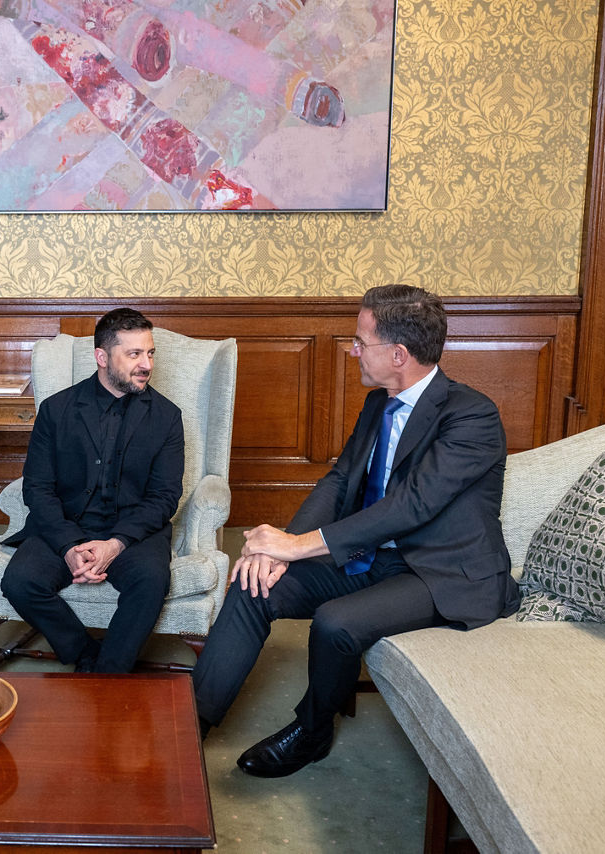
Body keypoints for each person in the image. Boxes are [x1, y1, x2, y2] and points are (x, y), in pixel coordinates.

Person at [192, 285, 520, 777]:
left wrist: (300, 546)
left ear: (398, 353)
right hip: (371, 557)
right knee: (254, 583)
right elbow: (341, 479)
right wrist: (282, 550)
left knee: (335, 622)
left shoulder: (472, 416)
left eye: (360, 341)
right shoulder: (377, 404)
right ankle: (189, 724)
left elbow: (413, 505)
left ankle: (312, 732)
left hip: (439, 573)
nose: (351, 350)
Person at [1, 307, 185, 673]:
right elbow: (38, 488)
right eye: (133, 354)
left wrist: (115, 544)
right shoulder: (57, 410)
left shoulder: (167, 416)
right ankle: (86, 655)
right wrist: (69, 546)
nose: (146, 364)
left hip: (133, 532)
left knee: (151, 581)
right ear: (102, 357)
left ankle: (108, 674)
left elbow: (164, 497)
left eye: (149, 353)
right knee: (19, 582)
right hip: (66, 524)